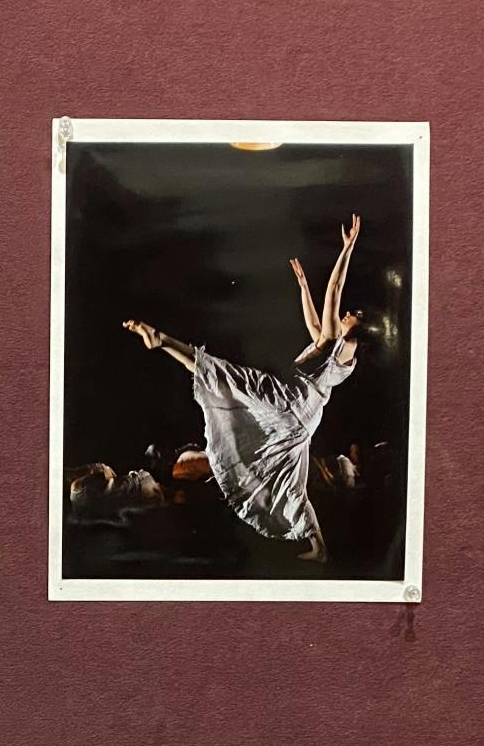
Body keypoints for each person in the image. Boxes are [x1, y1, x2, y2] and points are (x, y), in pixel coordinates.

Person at [120, 216, 371, 563]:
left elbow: (335, 290)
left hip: (290, 403)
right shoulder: (332, 346)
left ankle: (163, 340)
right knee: (289, 484)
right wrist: (301, 285)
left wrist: (348, 248)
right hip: (298, 422)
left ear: (360, 329)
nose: (346, 312)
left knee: (227, 378)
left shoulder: (343, 346)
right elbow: (316, 319)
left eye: (353, 314)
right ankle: (319, 549)